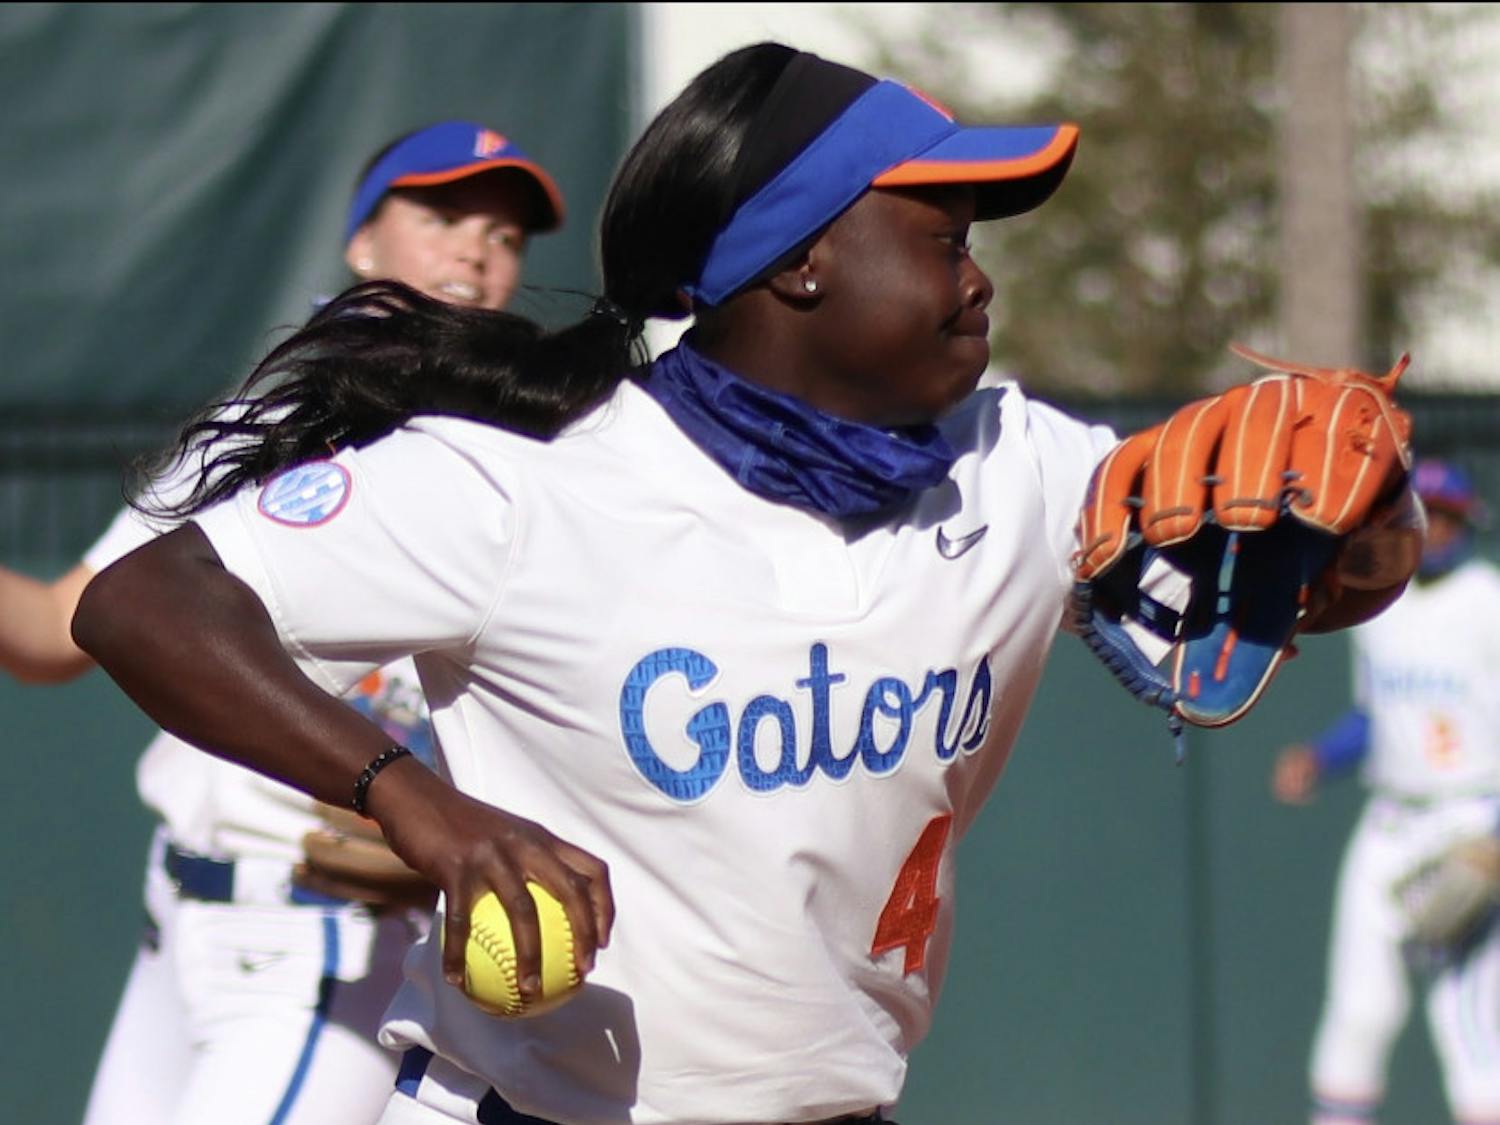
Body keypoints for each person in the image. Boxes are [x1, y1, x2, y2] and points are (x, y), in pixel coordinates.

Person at [72, 45, 1413, 1125]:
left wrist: (1361, 519)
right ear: (798, 259)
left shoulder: (1022, 467)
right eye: (940, 232)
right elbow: (141, 599)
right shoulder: (534, 484)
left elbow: (1325, 579)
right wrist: (424, 806)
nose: (977, 270)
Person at [0, 119, 565, 1124]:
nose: (478, 249)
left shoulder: (514, 461)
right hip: (177, 923)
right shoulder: (270, 418)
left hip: (325, 944)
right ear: (360, 243)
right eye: (441, 215)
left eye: (507, 234)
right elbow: (56, 627)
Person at [1270, 457, 1500, 1125]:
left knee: (1470, 1019)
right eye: (1421, 515)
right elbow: (1375, 717)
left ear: (1466, 521)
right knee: (1358, 1008)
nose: (1433, 530)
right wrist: (1320, 757)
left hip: (1471, 818)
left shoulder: (1488, 600)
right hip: (1388, 820)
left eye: (1445, 516)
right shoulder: (1378, 601)